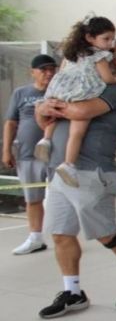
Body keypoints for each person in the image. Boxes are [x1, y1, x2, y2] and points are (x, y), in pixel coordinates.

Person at [34, 41, 116, 319]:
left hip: (92, 173)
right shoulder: (77, 82)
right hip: (62, 172)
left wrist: (53, 104)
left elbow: (79, 112)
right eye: (109, 54)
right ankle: (73, 291)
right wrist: (44, 107)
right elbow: (42, 116)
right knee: (60, 233)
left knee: (107, 234)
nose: (113, 59)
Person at [36, 15, 116, 188]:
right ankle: (68, 164)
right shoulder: (99, 55)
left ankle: (45, 139)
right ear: (90, 38)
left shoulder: (71, 54)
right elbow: (106, 78)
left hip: (60, 88)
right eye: (106, 39)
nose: (109, 44)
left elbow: (61, 72)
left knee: (54, 112)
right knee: (77, 131)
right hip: (83, 92)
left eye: (112, 39)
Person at [3, 55, 57, 255]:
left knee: (61, 197)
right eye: (44, 69)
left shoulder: (61, 93)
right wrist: (6, 150)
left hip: (56, 154)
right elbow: (11, 122)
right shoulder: (21, 93)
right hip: (27, 155)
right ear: (32, 72)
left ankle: (64, 236)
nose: (49, 73)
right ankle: (35, 238)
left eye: (52, 69)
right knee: (32, 198)